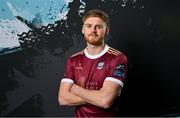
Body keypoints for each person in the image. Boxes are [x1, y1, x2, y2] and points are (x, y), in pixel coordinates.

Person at [58, 9, 127, 117]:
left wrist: (75, 89)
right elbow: (63, 98)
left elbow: (105, 101)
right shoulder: (74, 59)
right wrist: (98, 96)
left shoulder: (117, 58)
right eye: (89, 26)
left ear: (107, 30)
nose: (93, 30)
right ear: (83, 29)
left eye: (98, 27)